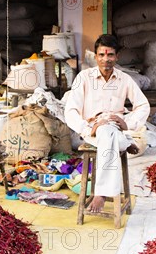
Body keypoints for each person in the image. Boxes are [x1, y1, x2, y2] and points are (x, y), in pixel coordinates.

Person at [64, 34, 150, 213]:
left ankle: (101, 192)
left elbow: (143, 105)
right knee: (105, 132)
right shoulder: (84, 77)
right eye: (101, 55)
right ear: (95, 56)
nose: (106, 59)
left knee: (109, 132)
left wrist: (126, 122)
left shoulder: (124, 79)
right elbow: (70, 111)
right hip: (93, 128)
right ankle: (123, 145)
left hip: (115, 126)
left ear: (117, 57)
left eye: (110, 55)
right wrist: (88, 127)